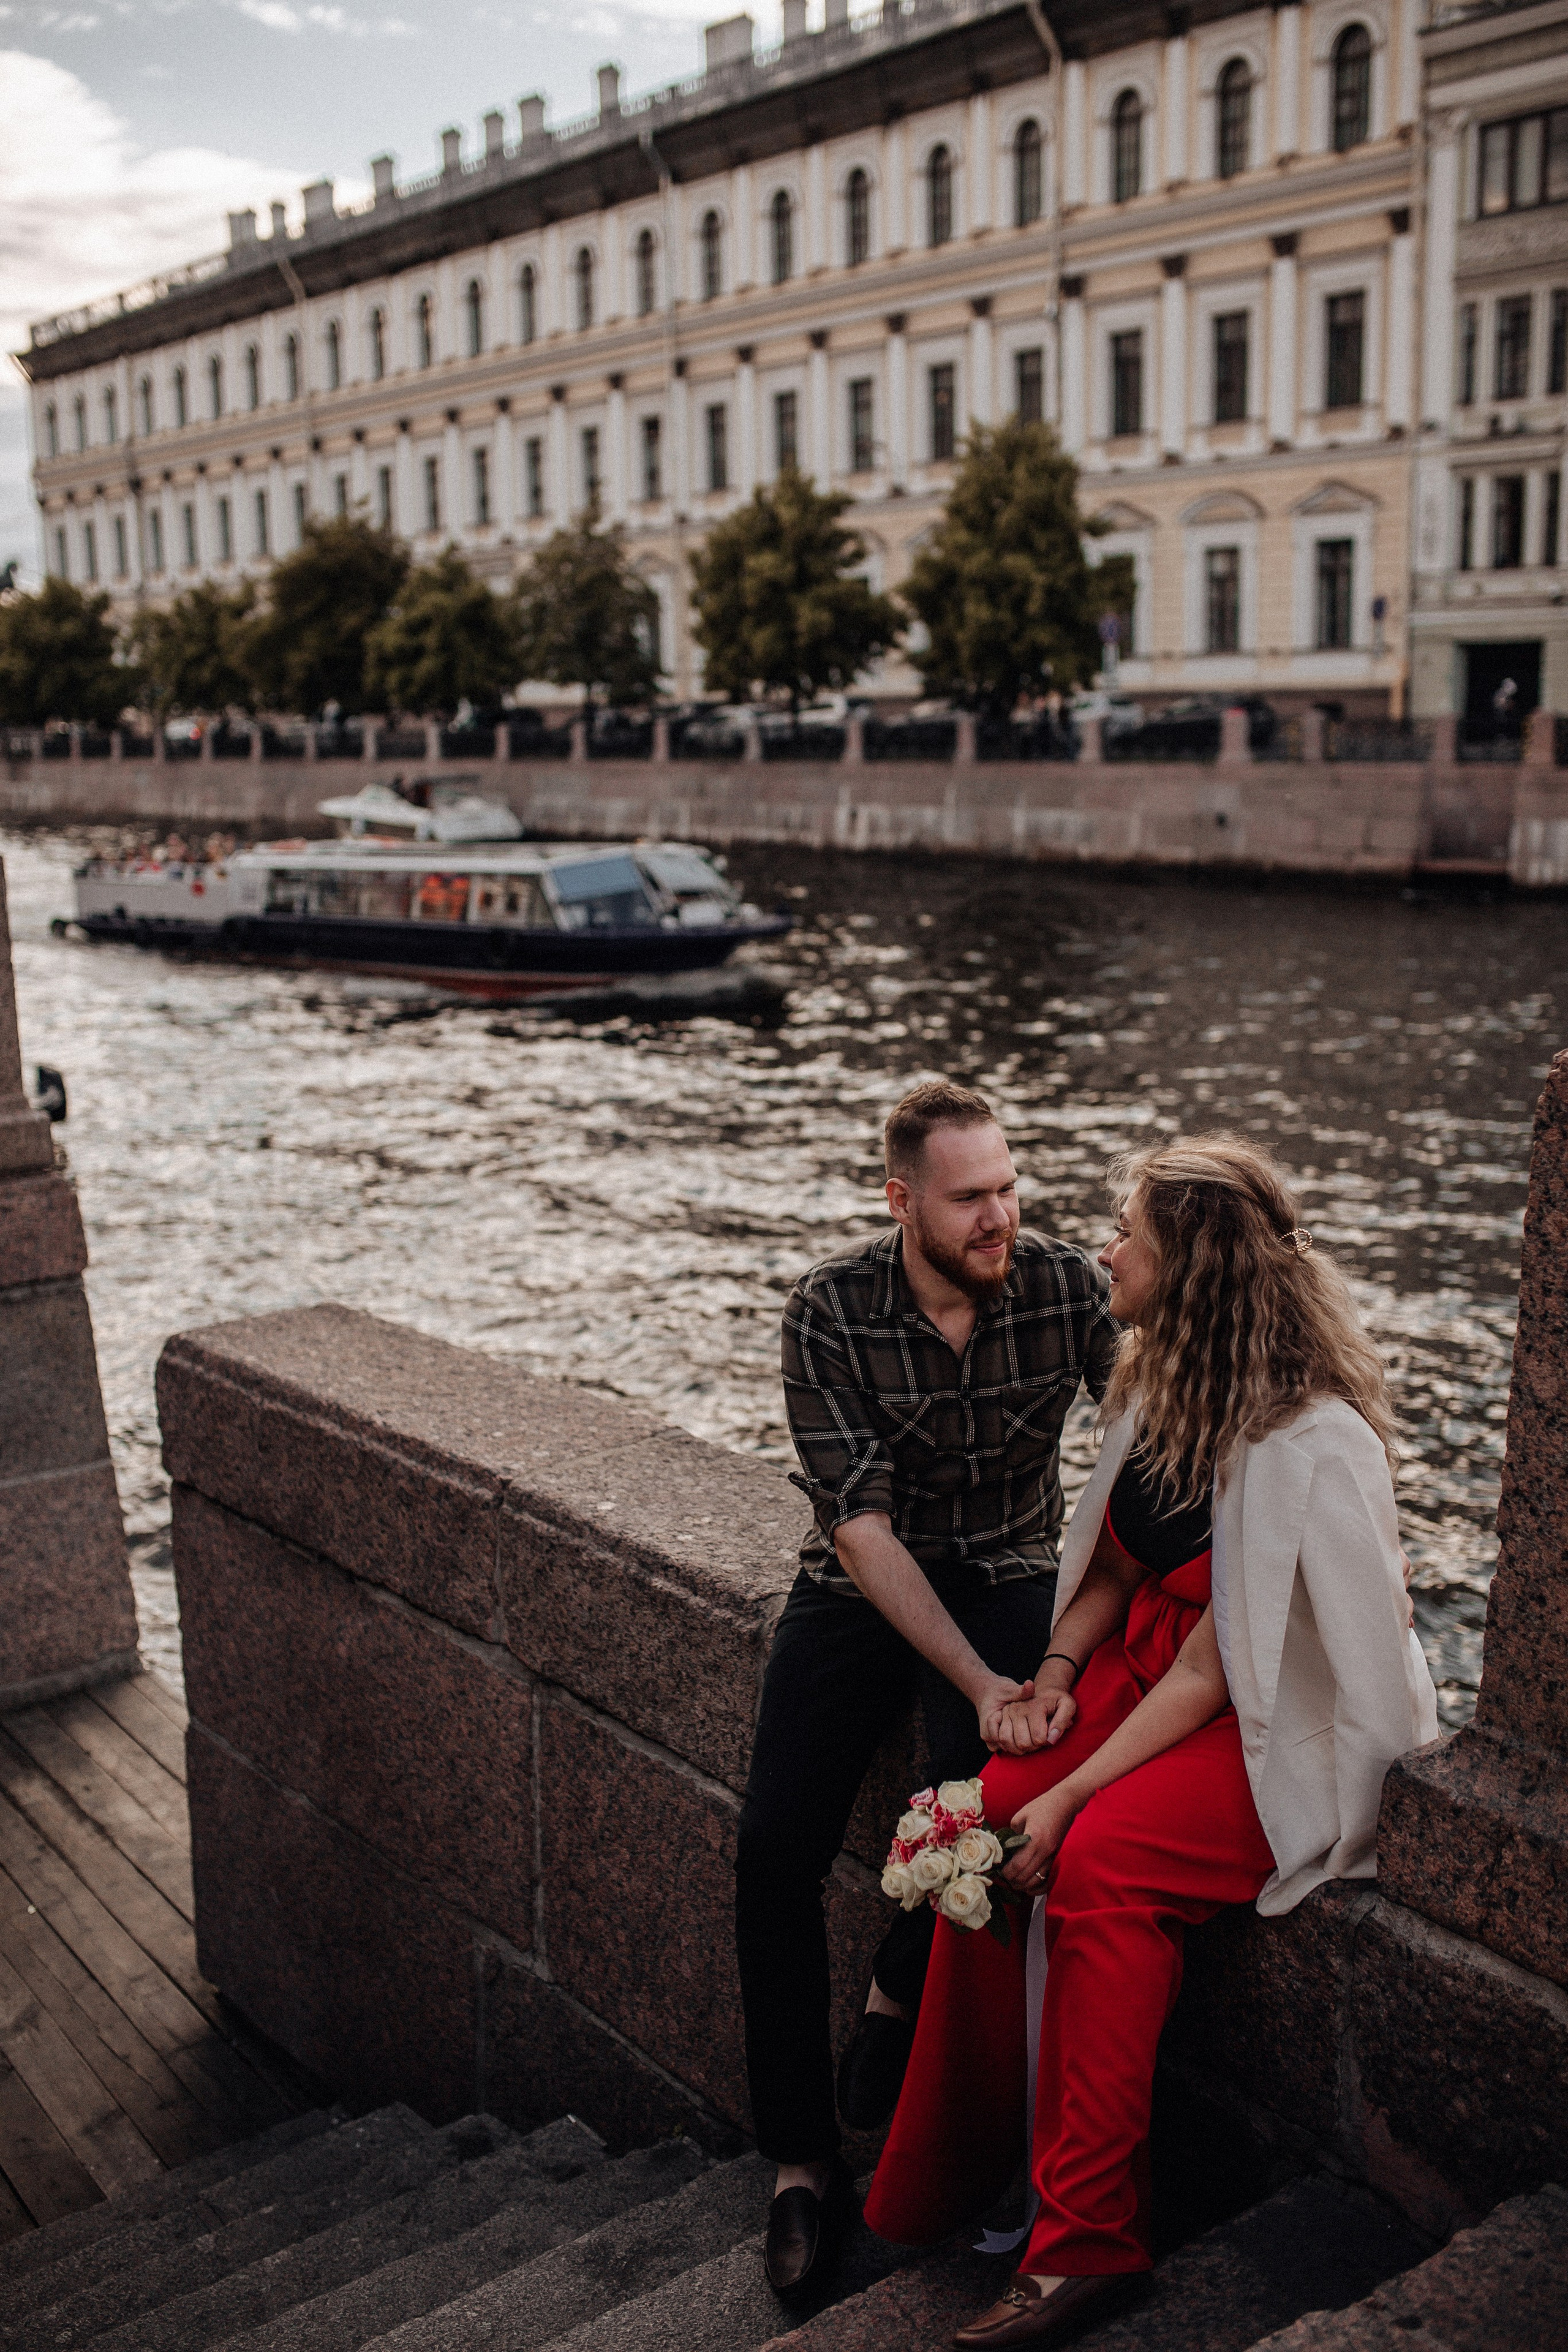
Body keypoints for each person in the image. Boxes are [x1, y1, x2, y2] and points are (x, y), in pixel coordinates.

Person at [863, 1134, 1439, 2350]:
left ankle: (1087, 2242)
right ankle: (966, 2159)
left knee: (1103, 1858)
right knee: (988, 1807)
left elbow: (1218, 1668)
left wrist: (1074, 1794)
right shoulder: (1156, 1379)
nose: (1106, 1250)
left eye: (1130, 1234)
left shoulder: (1310, 1436)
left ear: (1191, 1268)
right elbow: (1115, 1571)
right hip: (1150, 1669)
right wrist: (1052, 1680)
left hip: (1275, 1716)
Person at [737, 1081, 1118, 2299]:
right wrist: (981, 1678)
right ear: (902, 1200)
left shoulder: (1067, 1289)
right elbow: (858, 1528)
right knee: (772, 1851)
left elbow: (1163, 1424)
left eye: (1008, 1187)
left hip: (1009, 1567)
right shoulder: (830, 1311)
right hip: (863, 1580)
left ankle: (899, 1984)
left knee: (979, 1806)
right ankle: (801, 2163)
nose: (999, 1217)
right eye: (969, 1200)